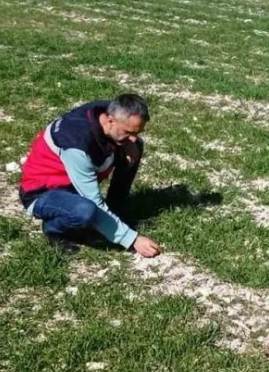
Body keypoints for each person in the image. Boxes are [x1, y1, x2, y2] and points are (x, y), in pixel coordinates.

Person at [18, 94, 162, 258]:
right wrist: (132, 240)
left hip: (74, 183)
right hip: (42, 192)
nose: (133, 138)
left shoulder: (108, 112)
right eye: (128, 133)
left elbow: (130, 139)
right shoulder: (77, 144)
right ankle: (54, 229)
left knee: (135, 147)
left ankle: (117, 209)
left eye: (137, 132)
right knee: (85, 211)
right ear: (110, 122)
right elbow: (94, 201)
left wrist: (129, 143)